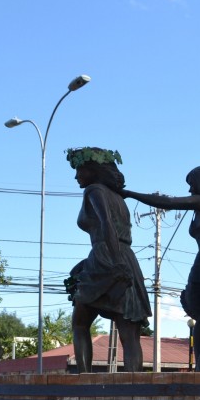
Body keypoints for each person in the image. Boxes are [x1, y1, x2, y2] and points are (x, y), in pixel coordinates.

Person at [120, 166, 200, 372]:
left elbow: (168, 202)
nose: (190, 190)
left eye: (192, 185)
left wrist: (130, 194)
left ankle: (198, 386)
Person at [64, 147, 152, 372]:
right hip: (127, 257)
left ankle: (84, 381)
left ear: (93, 171)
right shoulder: (119, 198)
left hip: (105, 255)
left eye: (79, 170)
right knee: (130, 334)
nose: (76, 176)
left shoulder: (94, 191)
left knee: (80, 323)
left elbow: (106, 224)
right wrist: (121, 262)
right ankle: (135, 389)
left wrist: (114, 261)